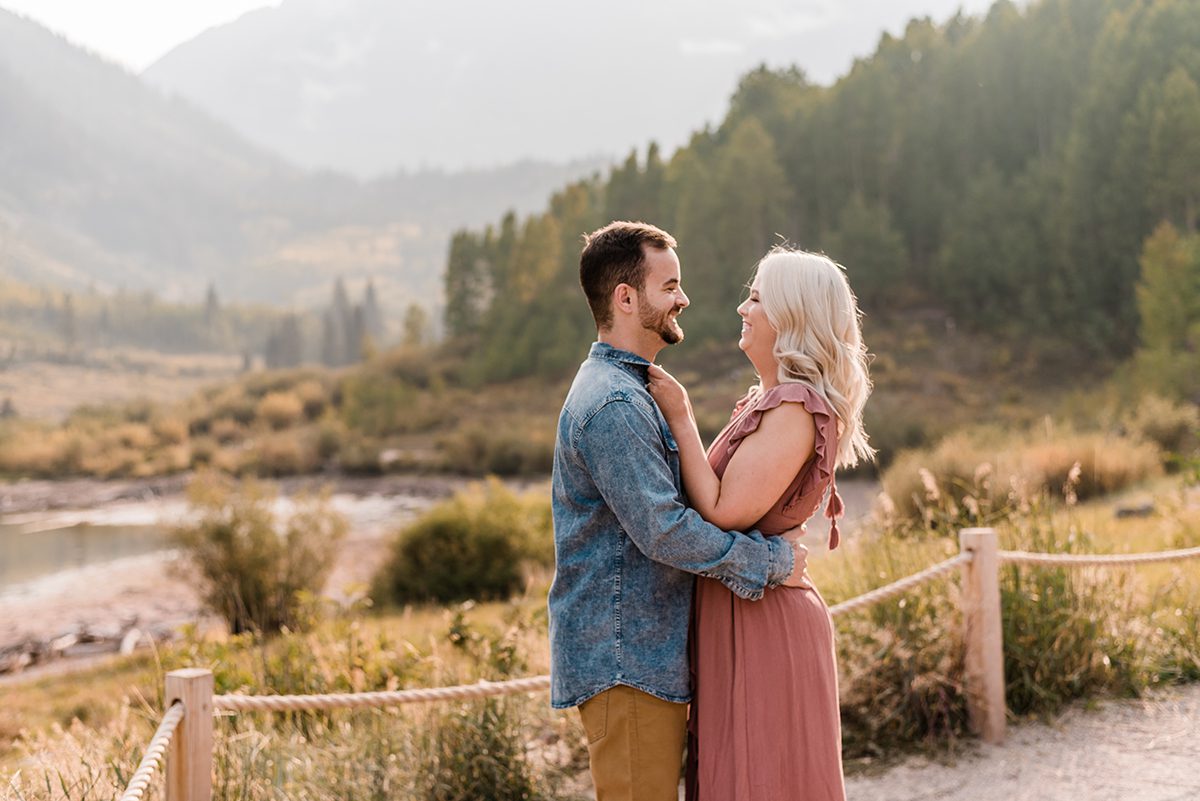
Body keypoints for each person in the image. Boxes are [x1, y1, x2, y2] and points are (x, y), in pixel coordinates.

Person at [549, 222, 813, 801]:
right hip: (627, 663)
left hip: (645, 657)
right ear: (626, 298)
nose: (684, 298)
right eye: (669, 285)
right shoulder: (615, 403)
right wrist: (770, 562)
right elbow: (665, 531)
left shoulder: (633, 390)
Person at [646, 247, 874, 801]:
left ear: (792, 317)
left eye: (755, 299)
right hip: (743, 611)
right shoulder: (771, 403)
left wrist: (679, 415)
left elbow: (724, 510)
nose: (741, 309)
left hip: (764, 623)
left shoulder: (795, 408)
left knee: (760, 777)